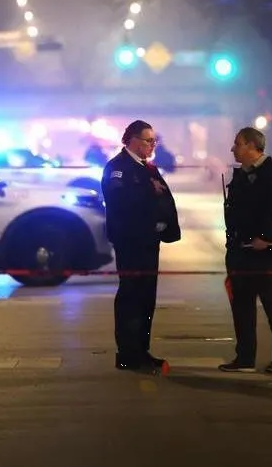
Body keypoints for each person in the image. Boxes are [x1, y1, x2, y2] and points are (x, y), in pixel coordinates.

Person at [102, 120, 181, 371]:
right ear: (133, 140)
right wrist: (151, 200)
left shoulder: (147, 168)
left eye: (153, 141)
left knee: (147, 297)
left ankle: (141, 350)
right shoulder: (118, 168)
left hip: (148, 242)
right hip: (131, 242)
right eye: (148, 140)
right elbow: (121, 202)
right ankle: (127, 352)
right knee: (131, 296)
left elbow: (163, 196)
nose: (152, 145)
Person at [217, 127, 272, 374]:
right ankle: (245, 357)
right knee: (242, 307)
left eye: (238, 144)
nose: (233, 149)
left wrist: (266, 237)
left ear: (252, 146)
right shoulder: (240, 175)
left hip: (265, 251)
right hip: (240, 251)